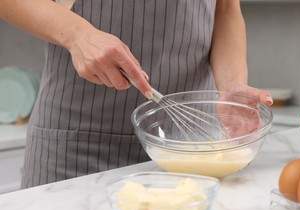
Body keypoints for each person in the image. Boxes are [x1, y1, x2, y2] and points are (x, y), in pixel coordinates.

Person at [0, 0, 273, 188]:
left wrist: (232, 86)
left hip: (191, 147)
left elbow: (225, 10)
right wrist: (78, 35)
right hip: (76, 144)